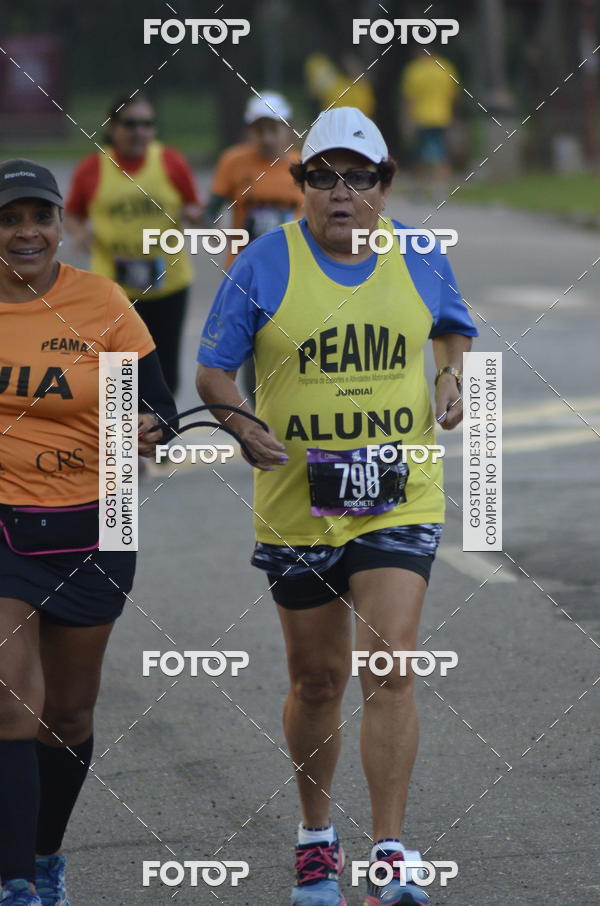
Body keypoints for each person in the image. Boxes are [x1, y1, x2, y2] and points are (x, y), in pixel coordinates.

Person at [196, 107, 477, 906]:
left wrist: (449, 376)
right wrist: (239, 421)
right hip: (299, 503)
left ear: (385, 187)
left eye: (359, 177)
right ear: (300, 186)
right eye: (322, 176)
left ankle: (390, 856)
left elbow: (452, 330)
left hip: (399, 495)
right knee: (318, 680)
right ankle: (317, 836)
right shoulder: (262, 265)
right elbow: (213, 373)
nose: (340, 193)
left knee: (390, 667)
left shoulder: (421, 256)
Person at [0, 160, 176, 906]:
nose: (26, 232)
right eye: (10, 219)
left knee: (66, 713)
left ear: (61, 225)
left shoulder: (100, 303)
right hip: (6, 519)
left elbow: (158, 407)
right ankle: (13, 884)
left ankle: (43, 857)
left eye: (39, 216)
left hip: (101, 514)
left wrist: (147, 427)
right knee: (12, 701)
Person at [64, 93, 203, 397]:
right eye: (130, 124)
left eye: (147, 124)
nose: (139, 132)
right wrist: (79, 232)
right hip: (113, 290)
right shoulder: (92, 168)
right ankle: (121, 442)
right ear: (112, 127)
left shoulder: (170, 162)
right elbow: (72, 212)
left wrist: (197, 216)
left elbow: (196, 208)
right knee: (119, 375)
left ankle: (159, 439)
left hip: (168, 284)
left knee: (165, 373)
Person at [205, 91, 304, 403]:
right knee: (250, 360)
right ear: (250, 131)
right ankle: (262, 423)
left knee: (291, 351)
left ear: (287, 128)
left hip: (293, 272)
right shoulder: (234, 162)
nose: (267, 137)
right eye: (260, 129)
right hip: (245, 273)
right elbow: (212, 208)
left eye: (274, 128)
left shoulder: (303, 167)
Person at [401, 49, 459, 190]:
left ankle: (418, 186)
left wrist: (407, 118)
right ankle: (441, 186)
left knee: (419, 155)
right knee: (442, 152)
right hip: (442, 117)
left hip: (421, 117)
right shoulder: (445, 67)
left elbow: (409, 98)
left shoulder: (414, 69)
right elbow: (453, 94)